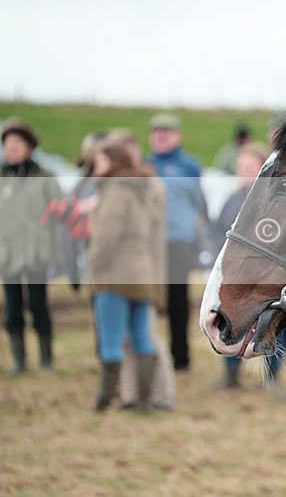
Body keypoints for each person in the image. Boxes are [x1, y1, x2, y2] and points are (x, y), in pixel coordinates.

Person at [210, 145, 286, 397]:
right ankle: (232, 375)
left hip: (278, 276)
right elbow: (220, 233)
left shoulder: (275, 201)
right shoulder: (233, 200)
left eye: (250, 167)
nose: (245, 172)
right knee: (231, 321)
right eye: (241, 167)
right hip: (239, 277)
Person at [87, 141, 164, 413]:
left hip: (114, 275)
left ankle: (103, 401)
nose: (94, 166)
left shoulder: (115, 190)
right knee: (142, 337)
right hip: (141, 272)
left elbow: (106, 238)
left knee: (111, 341)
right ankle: (143, 402)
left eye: (99, 161)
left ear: (112, 162)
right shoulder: (139, 188)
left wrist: (93, 264)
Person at [103, 129, 175, 411]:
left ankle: (162, 396)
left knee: (148, 337)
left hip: (144, 270)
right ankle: (132, 395)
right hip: (128, 272)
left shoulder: (147, 185)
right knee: (128, 338)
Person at [0, 121, 62, 374]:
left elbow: (60, 214)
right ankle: (19, 361)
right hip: (7, 254)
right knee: (12, 308)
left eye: (17, 145)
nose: (11, 150)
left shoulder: (45, 177)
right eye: (7, 145)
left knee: (38, 306)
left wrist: (57, 249)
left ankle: (46, 360)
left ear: (30, 147)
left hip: (38, 253)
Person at [148, 112, 208, 371]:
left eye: (166, 133)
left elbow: (199, 204)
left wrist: (200, 238)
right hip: (149, 244)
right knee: (148, 299)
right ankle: (149, 353)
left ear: (177, 136)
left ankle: (180, 357)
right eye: (156, 133)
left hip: (178, 242)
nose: (161, 137)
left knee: (177, 301)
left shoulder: (189, 166)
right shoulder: (144, 166)